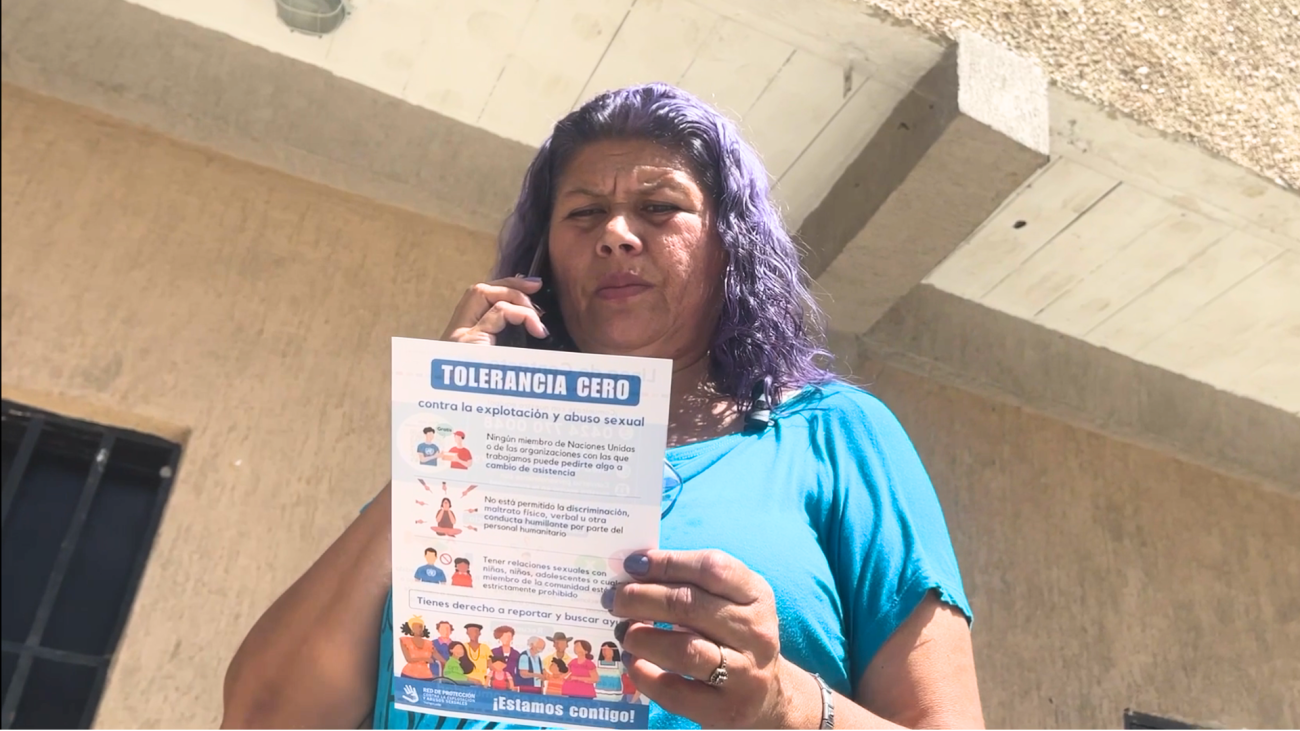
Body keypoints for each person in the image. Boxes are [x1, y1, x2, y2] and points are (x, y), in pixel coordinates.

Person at [222, 82, 983, 730]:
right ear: (545, 257)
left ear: (731, 247)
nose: (618, 234)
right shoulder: (457, 459)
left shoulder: (833, 438)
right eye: (584, 214)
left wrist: (782, 700)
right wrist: (439, 428)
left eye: (659, 207)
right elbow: (260, 714)